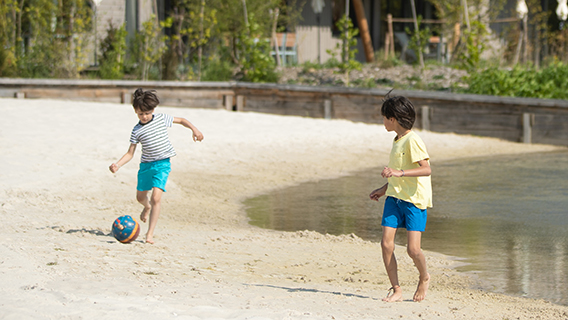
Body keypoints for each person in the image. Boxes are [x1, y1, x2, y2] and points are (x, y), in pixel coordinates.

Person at [109, 88, 204, 244]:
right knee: (140, 197)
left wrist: (195, 129)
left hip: (162, 164)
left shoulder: (161, 118)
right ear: (136, 112)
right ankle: (146, 207)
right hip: (146, 166)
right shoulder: (136, 130)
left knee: (156, 198)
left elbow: (181, 120)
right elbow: (130, 153)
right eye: (141, 114)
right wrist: (117, 165)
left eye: (147, 113)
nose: (145, 116)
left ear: (153, 110)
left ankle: (149, 234)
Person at [369, 95, 432, 302]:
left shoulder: (413, 140)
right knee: (386, 244)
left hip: (414, 201)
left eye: (384, 118)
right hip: (394, 198)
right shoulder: (396, 140)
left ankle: (424, 277)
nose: (383, 122)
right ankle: (396, 289)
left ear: (393, 119)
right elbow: (397, 174)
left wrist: (399, 173)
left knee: (413, 250)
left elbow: (426, 169)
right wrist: (383, 189)